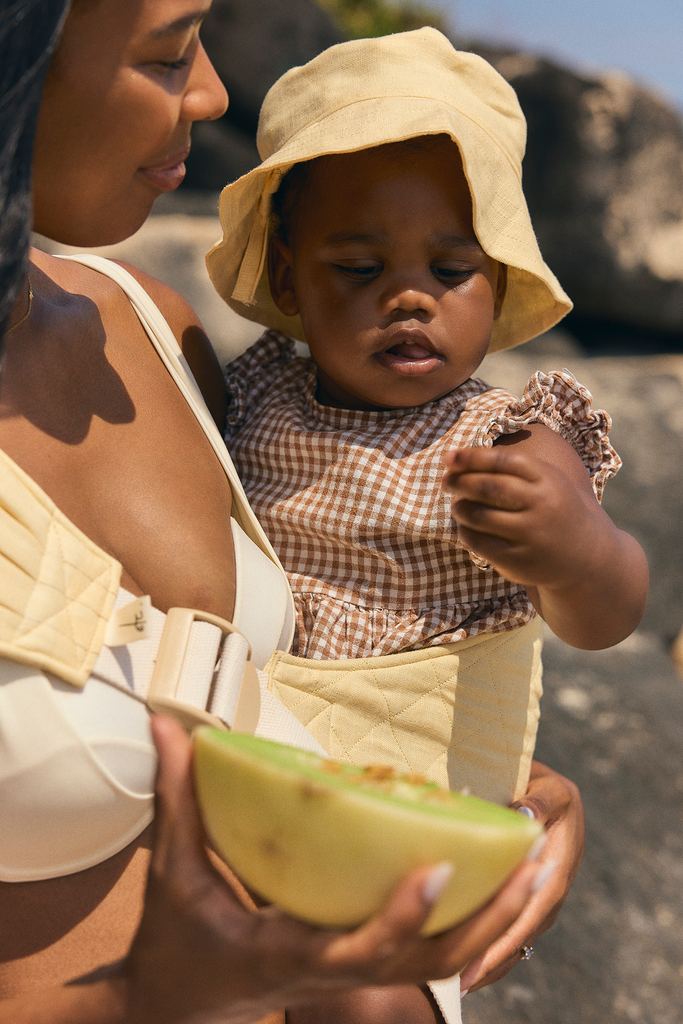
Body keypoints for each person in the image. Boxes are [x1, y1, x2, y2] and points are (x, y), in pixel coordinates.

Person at [0, 4, 584, 1023]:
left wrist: (482, 787)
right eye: (169, 50)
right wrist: (156, 997)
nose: (215, 91)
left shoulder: (149, 330)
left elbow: (284, 665)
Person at [206, 28, 649, 812]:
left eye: (451, 270)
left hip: (424, 785)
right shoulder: (256, 388)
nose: (410, 296)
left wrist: (575, 553)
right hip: (256, 748)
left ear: (499, 276)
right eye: (359, 268)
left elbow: (607, 615)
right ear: (286, 274)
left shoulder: (514, 436)